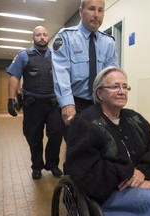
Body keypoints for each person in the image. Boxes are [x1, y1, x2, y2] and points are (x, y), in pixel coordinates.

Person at [63, 66, 150, 216]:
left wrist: (142, 172)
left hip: (143, 182)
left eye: (125, 87)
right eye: (115, 87)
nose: (122, 91)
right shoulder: (85, 122)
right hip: (109, 192)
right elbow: (88, 170)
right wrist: (129, 174)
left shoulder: (134, 118)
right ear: (100, 94)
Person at [52, 0, 118, 140]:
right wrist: (67, 103)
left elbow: (112, 76)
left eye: (100, 10)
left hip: (101, 104)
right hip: (76, 104)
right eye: (92, 9)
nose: (96, 15)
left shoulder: (108, 42)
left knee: (102, 148)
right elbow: (61, 72)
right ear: (81, 12)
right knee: (78, 152)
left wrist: (113, 103)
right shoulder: (66, 37)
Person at [7, 26, 63, 180]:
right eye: (38, 35)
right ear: (33, 38)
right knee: (34, 137)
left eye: (45, 34)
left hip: (53, 104)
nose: (42, 37)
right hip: (32, 105)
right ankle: (37, 166)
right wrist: (11, 99)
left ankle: (52, 164)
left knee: (56, 135)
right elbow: (14, 77)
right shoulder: (24, 55)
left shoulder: (57, 55)